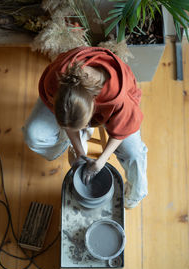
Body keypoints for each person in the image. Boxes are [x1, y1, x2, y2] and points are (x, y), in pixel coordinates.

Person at [22, 46, 148, 209]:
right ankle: (64, 146)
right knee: (33, 134)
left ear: (94, 106)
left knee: (134, 154)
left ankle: (134, 196)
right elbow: (67, 120)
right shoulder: (55, 80)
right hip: (73, 105)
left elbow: (123, 129)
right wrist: (80, 152)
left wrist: (101, 161)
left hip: (120, 109)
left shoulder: (118, 95)